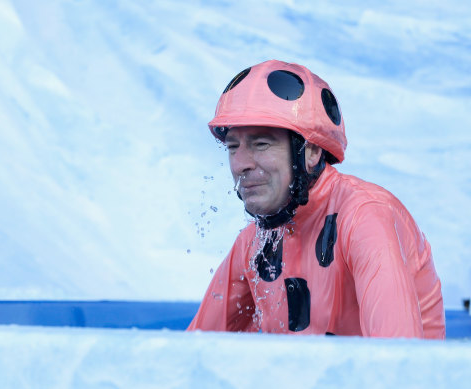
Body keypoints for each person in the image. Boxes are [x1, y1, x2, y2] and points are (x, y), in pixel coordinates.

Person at [187, 60, 445, 338]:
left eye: (261, 144)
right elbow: (190, 354)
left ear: (310, 152)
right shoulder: (254, 241)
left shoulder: (365, 217)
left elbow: (398, 365)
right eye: (233, 147)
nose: (241, 164)